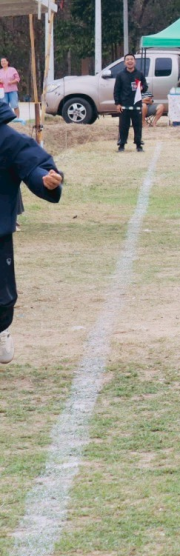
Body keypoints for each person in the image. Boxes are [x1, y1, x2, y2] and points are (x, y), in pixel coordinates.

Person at [0, 100, 63, 364]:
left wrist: (46, 181)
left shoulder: (9, 140)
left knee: (2, 296)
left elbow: (34, 167)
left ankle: (1, 329)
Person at [114, 53, 149, 153]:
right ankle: (121, 145)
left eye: (131, 59)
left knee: (137, 126)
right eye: (127, 59)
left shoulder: (139, 74)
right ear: (124, 62)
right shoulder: (120, 75)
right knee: (123, 126)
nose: (130, 61)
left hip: (137, 105)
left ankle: (138, 145)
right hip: (124, 105)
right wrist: (118, 104)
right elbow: (116, 90)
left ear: (135, 61)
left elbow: (145, 86)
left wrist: (142, 88)